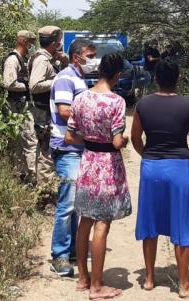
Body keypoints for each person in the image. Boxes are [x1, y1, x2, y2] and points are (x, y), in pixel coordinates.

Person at [131, 59, 189, 298]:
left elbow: (135, 138)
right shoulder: (188, 105)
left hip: (151, 166)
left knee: (150, 222)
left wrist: (148, 156)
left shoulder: (144, 104)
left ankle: (150, 279)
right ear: (179, 77)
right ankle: (184, 285)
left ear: (155, 79)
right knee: (181, 223)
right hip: (178, 168)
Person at [64, 53, 132, 300]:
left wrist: (91, 140)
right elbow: (116, 142)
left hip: (88, 163)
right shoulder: (116, 102)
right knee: (102, 224)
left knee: (85, 222)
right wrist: (122, 140)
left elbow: (69, 137)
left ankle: (83, 279)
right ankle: (96, 286)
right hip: (107, 167)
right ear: (117, 75)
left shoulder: (80, 99)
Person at [47, 39, 96, 277]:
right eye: (90, 55)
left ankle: (74, 249)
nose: (93, 59)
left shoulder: (79, 79)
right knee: (67, 204)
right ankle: (59, 256)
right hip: (66, 148)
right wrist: (92, 121)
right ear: (77, 56)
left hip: (78, 146)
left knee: (76, 202)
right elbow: (64, 111)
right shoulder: (66, 77)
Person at [3, 30, 52, 184]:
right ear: (23, 41)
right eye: (30, 42)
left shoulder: (23, 59)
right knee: (31, 142)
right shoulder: (13, 60)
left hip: (22, 106)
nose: (31, 45)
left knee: (22, 142)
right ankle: (34, 178)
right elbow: (9, 83)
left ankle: (21, 176)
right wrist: (27, 86)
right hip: (18, 108)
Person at [30, 26, 69, 186]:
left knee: (47, 152)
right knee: (46, 154)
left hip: (47, 111)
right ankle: (44, 196)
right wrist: (57, 81)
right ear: (54, 42)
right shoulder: (42, 60)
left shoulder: (51, 58)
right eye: (59, 40)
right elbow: (34, 85)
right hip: (42, 112)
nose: (60, 43)